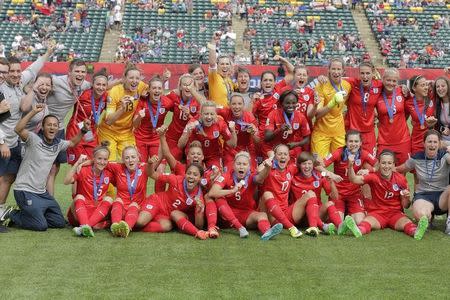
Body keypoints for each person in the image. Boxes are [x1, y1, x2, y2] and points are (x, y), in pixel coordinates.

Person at [0, 104, 90, 231]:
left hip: (42, 193)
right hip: (25, 191)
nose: (52, 127)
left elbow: (73, 142)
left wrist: (84, 130)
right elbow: (18, 129)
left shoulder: (57, 144)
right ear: (42, 127)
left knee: (59, 222)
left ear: (58, 129)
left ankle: (32, 213)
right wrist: (33, 111)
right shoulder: (33, 139)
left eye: (55, 125)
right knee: (40, 226)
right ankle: (13, 214)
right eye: (49, 125)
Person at [0, 47, 53, 221]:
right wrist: (2, 142)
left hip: (13, 142)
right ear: (5, 73)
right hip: (3, 142)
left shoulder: (20, 81)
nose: (15, 74)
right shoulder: (2, 90)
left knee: (9, 177)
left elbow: (33, 69)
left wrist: (47, 53)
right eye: (11, 72)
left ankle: (0, 211)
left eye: (17, 71)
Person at [345, 149, 429, 240]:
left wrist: (406, 198)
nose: (386, 166)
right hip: (377, 214)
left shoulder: (400, 179)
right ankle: (358, 230)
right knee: (366, 222)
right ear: (379, 164)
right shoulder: (374, 177)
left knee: (407, 223)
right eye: (383, 163)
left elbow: (406, 205)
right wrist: (350, 167)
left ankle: (416, 232)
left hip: (395, 214)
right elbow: (354, 179)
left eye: (389, 163)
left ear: (393, 165)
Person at [207, 151, 283, 240]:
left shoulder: (252, 176)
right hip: (228, 213)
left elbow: (260, 177)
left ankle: (267, 232)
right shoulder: (227, 175)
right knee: (219, 197)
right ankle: (239, 227)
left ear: (249, 167)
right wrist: (232, 190)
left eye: (244, 164)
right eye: (238, 163)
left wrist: (267, 168)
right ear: (234, 165)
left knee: (262, 215)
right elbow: (212, 192)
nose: (241, 166)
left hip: (246, 214)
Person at [159, 130, 220, 237]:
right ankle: (194, 230)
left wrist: (214, 179)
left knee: (207, 196)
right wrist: (162, 137)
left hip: (203, 210)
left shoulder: (210, 172)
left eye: (198, 154)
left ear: (202, 157)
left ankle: (211, 227)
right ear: (188, 157)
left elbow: (216, 191)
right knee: (174, 214)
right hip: (184, 209)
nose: (195, 156)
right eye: (192, 154)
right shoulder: (180, 168)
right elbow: (167, 154)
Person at [136, 159, 209, 240]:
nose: (191, 176)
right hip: (157, 202)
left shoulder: (199, 198)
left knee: (167, 226)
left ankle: (132, 228)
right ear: (185, 174)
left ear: (200, 178)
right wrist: (149, 164)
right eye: (189, 173)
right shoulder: (175, 179)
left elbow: (199, 226)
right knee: (140, 222)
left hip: (167, 215)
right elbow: (152, 174)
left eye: (195, 175)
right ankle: (130, 221)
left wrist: (199, 212)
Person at [317, 130, 377, 224]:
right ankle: (342, 213)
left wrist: (369, 170)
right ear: (346, 142)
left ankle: (350, 212)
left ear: (361, 143)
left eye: (356, 141)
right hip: (338, 193)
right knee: (338, 222)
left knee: (359, 221)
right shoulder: (338, 153)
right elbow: (318, 165)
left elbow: (379, 164)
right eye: (350, 141)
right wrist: (330, 174)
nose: (353, 144)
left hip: (354, 193)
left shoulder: (363, 154)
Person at [396, 130, 450, 235]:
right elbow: (399, 169)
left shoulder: (445, 156)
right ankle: (426, 220)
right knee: (421, 214)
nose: (432, 145)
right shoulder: (416, 158)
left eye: (435, 142)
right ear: (423, 144)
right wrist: (376, 169)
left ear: (439, 144)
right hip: (424, 196)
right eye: (429, 142)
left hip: (443, 198)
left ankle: (449, 223)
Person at [97, 64, 148, 162]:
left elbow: (154, 89)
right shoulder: (114, 92)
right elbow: (108, 121)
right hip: (108, 132)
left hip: (126, 133)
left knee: (132, 161)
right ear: (124, 78)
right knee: (109, 163)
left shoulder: (140, 86)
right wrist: (121, 109)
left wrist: (163, 79)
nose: (135, 81)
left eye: (137, 78)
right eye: (131, 78)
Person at [64, 142, 113, 237]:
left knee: (109, 199)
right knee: (79, 196)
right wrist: (78, 163)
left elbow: (123, 165)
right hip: (80, 212)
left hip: (97, 213)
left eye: (105, 159)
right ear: (93, 158)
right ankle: (90, 225)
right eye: (99, 158)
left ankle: (86, 227)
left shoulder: (109, 172)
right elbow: (66, 181)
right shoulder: (84, 170)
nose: (102, 162)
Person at [258, 144, 304, 238]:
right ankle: (292, 228)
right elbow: (258, 171)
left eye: (285, 154)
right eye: (279, 154)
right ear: (275, 156)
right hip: (270, 213)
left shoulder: (291, 168)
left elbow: (310, 163)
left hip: (285, 212)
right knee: (267, 194)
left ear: (288, 157)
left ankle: (314, 227)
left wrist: (327, 172)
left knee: (310, 194)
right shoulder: (269, 168)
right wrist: (270, 158)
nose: (282, 156)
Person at [290, 152, 341, 236]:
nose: (307, 167)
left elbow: (335, 197)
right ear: (299, 165)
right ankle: (322, 226)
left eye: (309, 163)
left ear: (313, 165)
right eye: (304, 164)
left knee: (330, 203)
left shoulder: (319, 177)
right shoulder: (293, 177)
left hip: (317, 213)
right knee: (310, 196)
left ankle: (340, 226)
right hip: (300, 215)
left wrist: (331, 182)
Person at [65, 68, 108, 164]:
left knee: (92, 163)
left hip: (91, 133)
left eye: (103, 85)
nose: (101, 87)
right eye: (98, 84)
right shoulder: (83, 94)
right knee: (77, 165)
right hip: (76, 131)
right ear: (92, 84)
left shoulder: (106, 97)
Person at [178, 101, 237, 169]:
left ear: (216, 114)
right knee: (195, 173)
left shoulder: (220, 124)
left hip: (213, 155)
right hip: (195, 154)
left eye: (212, 114)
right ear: (201, 114)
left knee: (216, 174)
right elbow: (180, 145)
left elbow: (232, 145)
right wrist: (187, 132)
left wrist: (233, 131)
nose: (209, 117)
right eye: (206, 114)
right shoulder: (192, 123)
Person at [311, 58, 351, 158]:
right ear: (328, 70)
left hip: (339, 132)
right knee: (319, 163)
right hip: (321, 132)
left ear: (343, 71)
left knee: (342, 163)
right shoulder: (321, 85)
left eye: (338, 69)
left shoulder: (347, 86)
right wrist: (332, 103)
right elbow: (318, 114)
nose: (336, 72)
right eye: (333, 69)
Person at [108, 146, 151, 238]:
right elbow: (100, 162)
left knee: (134, 205)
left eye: (133, 157)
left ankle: (126, 228)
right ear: (123, 159)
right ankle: (115, 226)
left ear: (138, 157)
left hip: (137, 209)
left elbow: (158, 162)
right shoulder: (118, 167)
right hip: (120, 210)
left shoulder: (144, 167)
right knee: (118, 200)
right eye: (127, 158)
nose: (130, 160)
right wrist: (82, 163)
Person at [344, 62, 382, 156]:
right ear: (359, 74)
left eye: (368, 73)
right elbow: (336, 79)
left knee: (369, 163)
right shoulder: (352, 83)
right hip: (352, 130)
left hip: (369, 132)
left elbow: (393, 86)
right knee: (352, 162)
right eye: (362, 73)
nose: (365, 76)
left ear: (373, 73)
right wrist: (322, 78)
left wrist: (404, 87)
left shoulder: (379, 85)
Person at [165, 74, 204, 160]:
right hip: (173, 137)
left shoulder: (198, 101)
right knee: (173, 162)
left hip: (190, 138)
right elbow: (160, 100)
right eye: (185, 84)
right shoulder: (173, 96)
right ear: (180, 86)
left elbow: (200, 124)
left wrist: (189, 115)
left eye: (190, 85)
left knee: (190, 163)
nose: (188, 87)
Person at [132, 76, 172, 162]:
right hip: (140, 139)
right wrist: (139, 117)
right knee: (141, 167)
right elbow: (134, 124)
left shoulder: (167, 102)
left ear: (162, 90)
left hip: (156, 139)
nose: (157, 91)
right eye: (154, 88)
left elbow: (177, 113)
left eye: (159, 88)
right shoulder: (142, 102)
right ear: (149, 90)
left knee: (159, 167)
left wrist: (166, 126)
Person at [375, 68, 410, 165]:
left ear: (397, 81)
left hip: (403, 140)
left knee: (402, 173)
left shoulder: (402, 92)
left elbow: (409, 110)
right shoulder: (377, 94)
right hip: (384, 141)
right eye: (388, 80)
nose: (391, 83)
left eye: (394, 81)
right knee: (383, 173)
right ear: (383, 80)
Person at [264, 90, 310, 160]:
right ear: (282, 103)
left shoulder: (301, 117)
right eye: (287, 103)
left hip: (290, 148)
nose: (291, 105)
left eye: (293, 103)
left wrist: (296, 144)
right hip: (274, 148)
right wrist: (279, 130)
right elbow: (267, 137)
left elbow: (307, 138)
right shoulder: (273, 114)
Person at [217, 93, 259, 170]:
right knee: (229, 172)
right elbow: (209, 107)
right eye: (234, 104)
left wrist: (253, 133)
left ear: (243, 105)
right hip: (230, 149)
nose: (236, 107)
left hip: (247, 149)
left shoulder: (250, 118)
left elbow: (258, 142)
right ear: (229, 105)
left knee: (252, 173)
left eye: (239, 104)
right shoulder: (225, 111)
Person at [405, 75, 436, 155]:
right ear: (414, 88)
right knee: (417, 166)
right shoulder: (408, 103)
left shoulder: (432, 96)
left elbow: (444, 87)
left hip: (432, 142)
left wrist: (433, 82)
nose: (426, 87)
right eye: (422, 85)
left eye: (426, 84)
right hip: (417, 142)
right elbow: (402, 119)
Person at [208, 34, 233, 107]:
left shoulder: (229, 80)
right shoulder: (214, 76)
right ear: (217, 66)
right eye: (222, 64)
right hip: (217, 115)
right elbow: (212, 63)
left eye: (227, 64)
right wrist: (213, 41)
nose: (225, 66)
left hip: (229, 115)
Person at [433, 77, 450, 145]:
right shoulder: (437, 104)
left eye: (443, 86)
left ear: (448, 86)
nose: (440, 88)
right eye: (437, 86)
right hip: (443, 142)